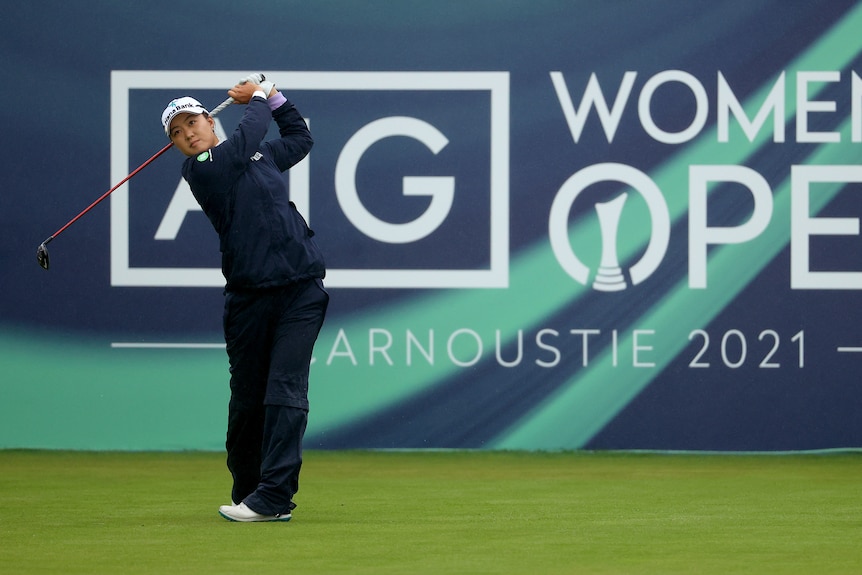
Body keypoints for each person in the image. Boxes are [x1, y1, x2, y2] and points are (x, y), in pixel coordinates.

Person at [161, 74, 328, 522]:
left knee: (284, 390)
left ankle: (274, 497)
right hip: (248, 299)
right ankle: (250, 494)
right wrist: (258, 95)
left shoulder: (260, 155)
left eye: (192, 122)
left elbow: (298, 137)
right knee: (247, 402)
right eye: (177, 134)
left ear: (209, 121)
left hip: (300, 289)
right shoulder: (202, 169)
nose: (187, 134)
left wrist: (275, 98)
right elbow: (247, 134)